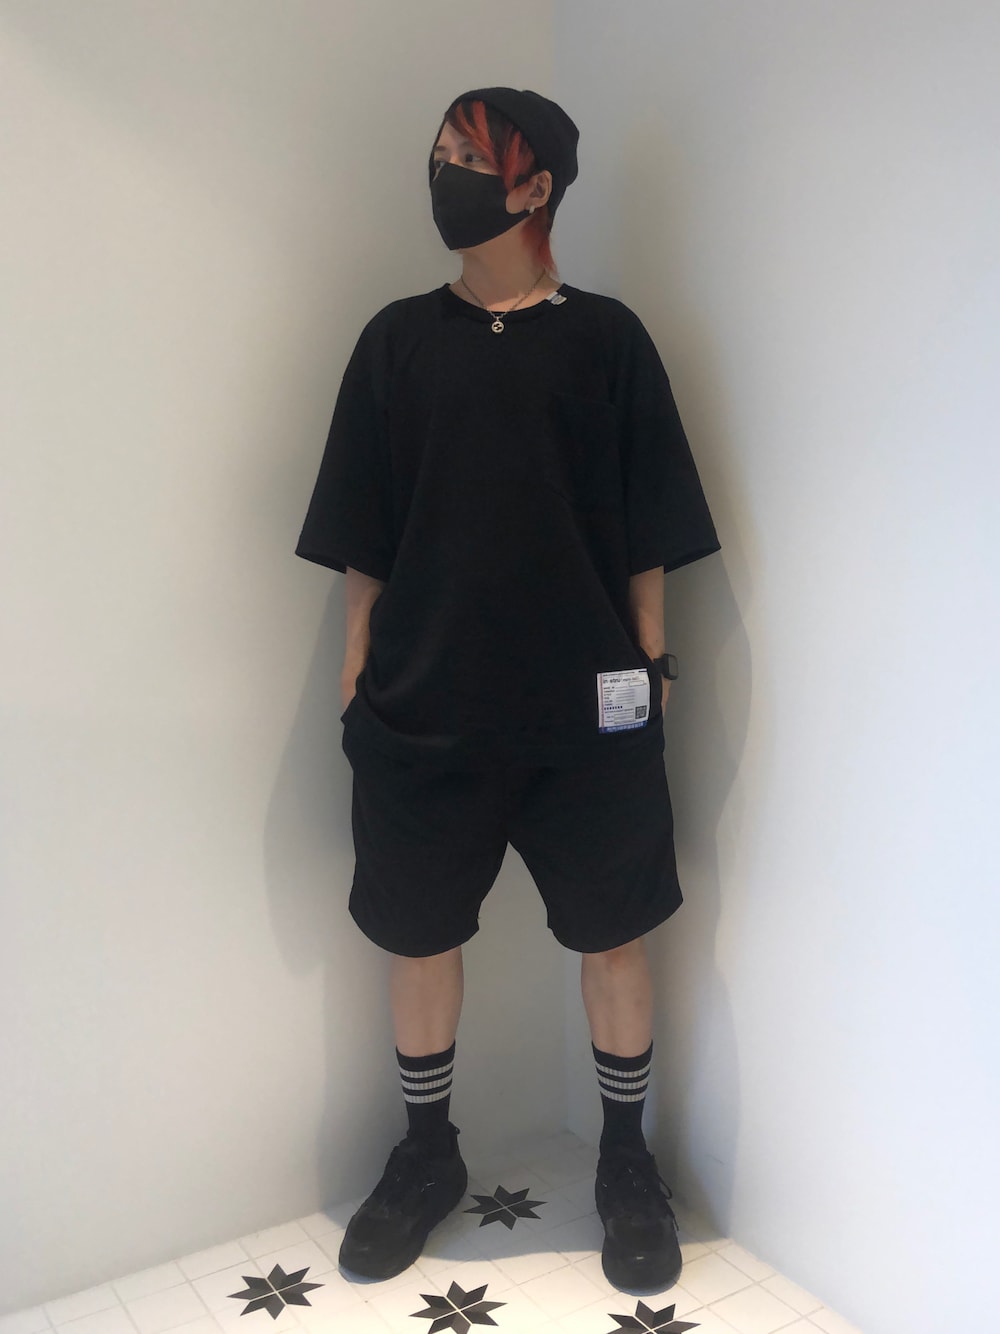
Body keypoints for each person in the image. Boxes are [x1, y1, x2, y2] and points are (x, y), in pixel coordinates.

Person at [295, 86, 721, 1295]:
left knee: (614, 932)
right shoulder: (395, 341)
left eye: (469, 158)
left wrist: (650, 663)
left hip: (590, 711)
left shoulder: (607, 339)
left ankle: (625, 1161)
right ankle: (427, 1151)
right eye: (438, 152)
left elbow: (648, 521)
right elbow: (364, 525)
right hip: (423, 707)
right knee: (418, 932)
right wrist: (356, 668)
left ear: (534, 187)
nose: (444, 173)